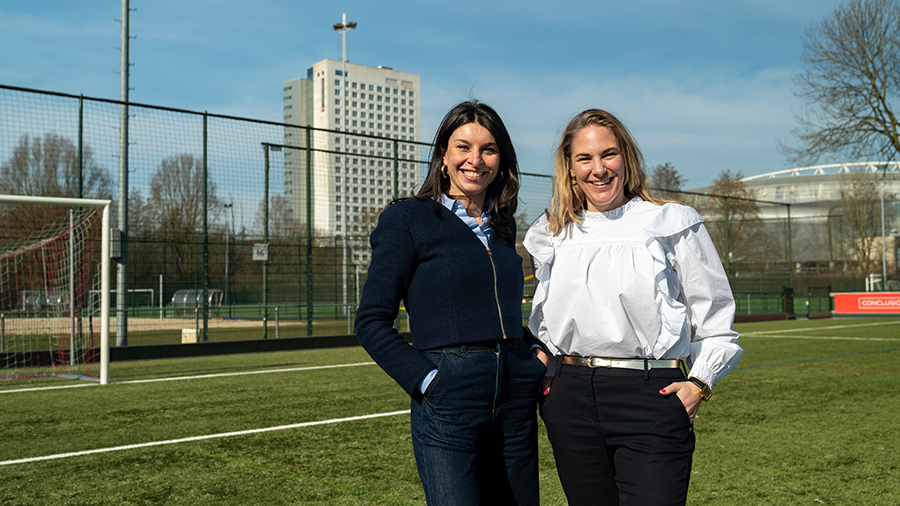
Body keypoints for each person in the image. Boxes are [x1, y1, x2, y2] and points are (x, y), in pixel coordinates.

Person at [524, 108, 743, 506]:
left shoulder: (672, 220)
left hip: (650, 395)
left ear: (626, 157)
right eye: (584, 158)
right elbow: (543, 324)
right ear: (569, 168)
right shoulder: (553, 230)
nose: (598, 169)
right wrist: (549, 383)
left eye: (608, 154)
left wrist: (699, 385)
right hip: (568, 399)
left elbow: (715, 321)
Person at [355, 101, 547, 506]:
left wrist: (533, 351)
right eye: (463, 147)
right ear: (444, 156)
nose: (475, 160)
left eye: (488, 149)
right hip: (449, 394)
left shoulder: (503, 223)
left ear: (501, 160)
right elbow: (371, 321)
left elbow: (502, 309)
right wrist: (429, 382)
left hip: (514, 393)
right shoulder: (406, 219)